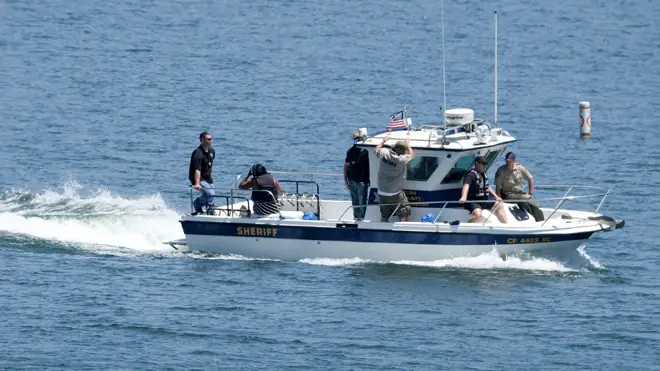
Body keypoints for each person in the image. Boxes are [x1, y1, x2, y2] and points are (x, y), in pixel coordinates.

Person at [373, 135, 414, 222]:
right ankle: (403, 229)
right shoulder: (401, 160)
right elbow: (411, 156)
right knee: (404, 211)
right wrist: (408, 144)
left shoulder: (385, 153)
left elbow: (375, 150)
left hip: (381, 191)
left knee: (385, 214)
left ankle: (383, 229)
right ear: (402, 151)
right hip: (394, 193)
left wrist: (383, 141)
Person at [495, 152, 544, 221]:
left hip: (519, 193)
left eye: (509, 161)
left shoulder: (519, 168)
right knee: (523, 200)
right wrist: (499, 198)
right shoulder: (501, 170)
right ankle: (533, 218)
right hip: (507, 194)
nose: (508, 163)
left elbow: (530, 178)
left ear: (514, 161)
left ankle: (541, 221)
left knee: (533, 203)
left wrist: (530, 193)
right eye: (506, 161)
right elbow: (497, 186)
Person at [459, 156, 508, 223]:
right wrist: (463, 196)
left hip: (484, 200)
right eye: (483, 164)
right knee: (477, 214)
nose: (485, 166)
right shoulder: (471, 175)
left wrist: (496, 197)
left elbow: (487, 187)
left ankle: (505, 225)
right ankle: (468, 224)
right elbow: (466, 185)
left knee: (499, 205)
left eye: (486, 164)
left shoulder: (483, 174)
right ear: (476, 163)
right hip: (474, 201)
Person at [344, 131, 370, 220]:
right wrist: (346, 180)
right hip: (352, 180)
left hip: (363, 181)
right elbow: (346, 165)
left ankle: (362, 218)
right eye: (356, 139)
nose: (357, 140)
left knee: (363, 202)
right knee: (355, 201)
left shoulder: (366, 151)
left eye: (359, 139)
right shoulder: (350, 151)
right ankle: (356, 218)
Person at [188, 131, 216, 215]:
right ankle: (197, 204)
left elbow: (209, 165)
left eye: (211, 139)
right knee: (210, 194)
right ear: (202, 140)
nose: (210, 141)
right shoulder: (197, 153)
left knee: (212, 195)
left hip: (208, 178)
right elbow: (197, 169)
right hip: (198, 178)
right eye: (208, 139)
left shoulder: (212, 151)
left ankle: (210, 209)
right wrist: (197, 183)